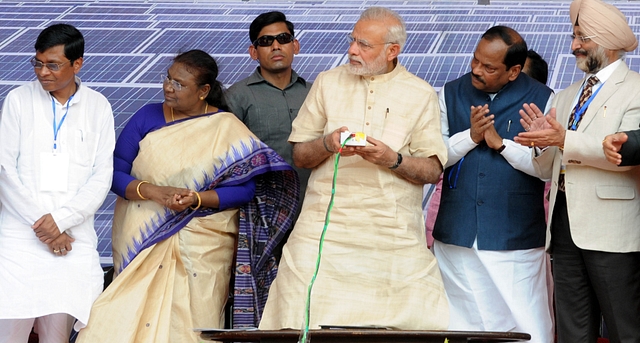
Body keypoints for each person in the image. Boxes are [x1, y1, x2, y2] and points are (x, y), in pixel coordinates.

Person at [76, 50, 299, 342]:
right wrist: (154, 192)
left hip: (203, 247)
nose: (169, 86)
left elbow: (245, 190)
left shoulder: (226, 127)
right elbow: (115, 174)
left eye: (179, 84)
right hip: (143, 234)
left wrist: (196, 199)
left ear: (204, 91)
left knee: (191, 327)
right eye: (168, 78)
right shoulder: (146, 116)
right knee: (115, 319)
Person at [259, 7, 449, 330]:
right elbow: (301, 156)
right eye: (352, 41)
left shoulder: (420, 93)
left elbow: (432, 170)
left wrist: (392, 159)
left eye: (364, 45)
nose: (352, 50)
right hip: (323, 231)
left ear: (392, 51)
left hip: (391, 235)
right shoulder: (327, 83)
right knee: (295, 312)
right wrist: (329, 144)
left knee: (415, 319)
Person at [516, 0, 640, 341]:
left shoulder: (636, 90)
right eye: (574, 37)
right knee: (572, 330)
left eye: (582, 38)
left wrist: (563, 138)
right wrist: (542, 143)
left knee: (624, 329)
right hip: (564, 226)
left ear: (608, 40)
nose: (573, 47)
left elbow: (622, 152)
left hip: (612, 232)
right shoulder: (567, 94)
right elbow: (548, 169)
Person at [432, 26, 554, 343]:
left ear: (514, 71)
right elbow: (433, 158)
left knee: (528, 327)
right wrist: (470, 138)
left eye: (489, 67)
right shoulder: (449, 93)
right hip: (458, 237)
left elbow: (547, 170)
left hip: (516, 239)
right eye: (475, 60)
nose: (476, 70)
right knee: (458, 327)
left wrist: (502, 145)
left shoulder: (543, 98)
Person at [0, 24, 115, 342]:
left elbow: (101, 176)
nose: (42, 72)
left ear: (77, 64)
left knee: (57, 338)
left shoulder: (98, 106)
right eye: (37, 63)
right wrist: (46, 228)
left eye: (53, 64)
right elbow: (5, 172)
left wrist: (61, 223)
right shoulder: (18, 100)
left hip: (71, 244)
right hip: (18, 244)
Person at [226, 11, 312, 220]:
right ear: (253, 52)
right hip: (260, 215)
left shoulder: (316, 93)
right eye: (265, 41)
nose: (276, 46)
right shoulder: (236, 97)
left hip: (314, 211)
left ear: (296, 46)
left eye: (283, 39)